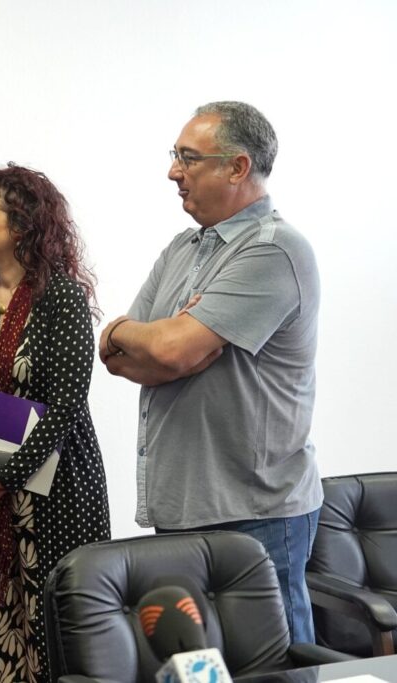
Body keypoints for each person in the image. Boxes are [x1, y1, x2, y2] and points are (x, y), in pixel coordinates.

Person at [99, 101, 322, 643]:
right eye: (175, 156)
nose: (172, 171)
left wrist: (167, 340)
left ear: (238, 168)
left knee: (271, 670)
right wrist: (125, 333)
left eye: (188, 158)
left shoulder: (274, 250)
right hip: (184, 507)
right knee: (194, 667)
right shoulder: (182, 248)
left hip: (254, 513)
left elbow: (171, 352)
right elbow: (122, 357)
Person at [0, 164, 111, 683]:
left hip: (54, 494)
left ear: (20, 226)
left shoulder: (59, 296)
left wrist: (8, 475)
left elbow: (65, 406)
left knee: (55, 632)